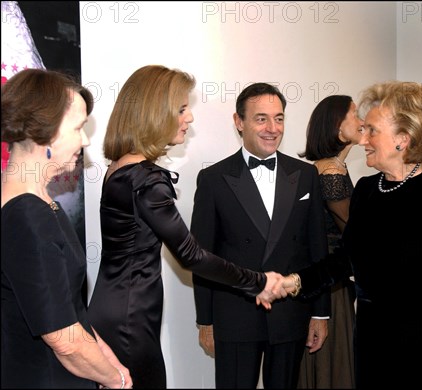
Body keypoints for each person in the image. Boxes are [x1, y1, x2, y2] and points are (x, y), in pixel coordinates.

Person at [283, 81, 422, 389]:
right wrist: (295, 281)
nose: (363, 140)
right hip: (373, 339)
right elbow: (346, 259)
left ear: (402, 139)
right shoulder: (368, 190)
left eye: (372, 131)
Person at [86, 66, 287, 389]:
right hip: (131, 320)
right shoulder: (146, 179)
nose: (189, 118)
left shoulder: (120, 168)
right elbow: (192, 255)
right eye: (181, 109)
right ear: (155, 112)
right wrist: (258, 282)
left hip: (114, 310)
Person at [190, 82, 330, 389]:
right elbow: (203, 258)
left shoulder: (306, 174)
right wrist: (206, 320)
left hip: (290, 312)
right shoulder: (213, 179)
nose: (272, 128)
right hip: (235, 314)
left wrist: (321, 314)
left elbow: (317, 247)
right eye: (261, 118)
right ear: (239, 122)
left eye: (279, 118)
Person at [1, 68, 133, 389]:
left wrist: (111, 366)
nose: (85, 140)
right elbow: (64, 339)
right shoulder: (27, 215)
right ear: (45, 132)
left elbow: (73, 313)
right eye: (78, 128)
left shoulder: (40, 202)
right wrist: (115, 380)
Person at [296, 95, 363, 388]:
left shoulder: (326, 167)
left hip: (328, 282)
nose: (363, 122)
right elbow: (361, 233)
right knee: (333, 369)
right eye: (356, 114)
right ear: (338, 127)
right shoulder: (331, 172)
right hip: (330, 288)